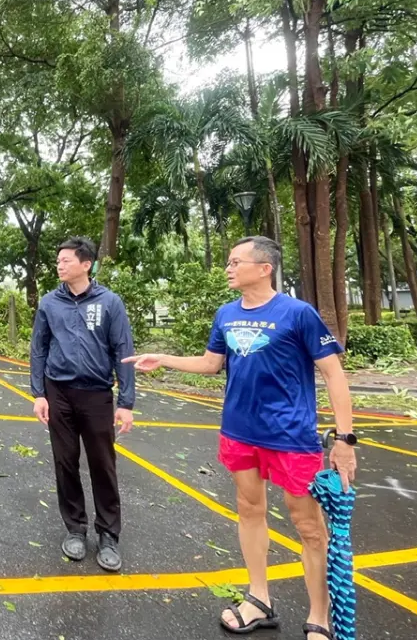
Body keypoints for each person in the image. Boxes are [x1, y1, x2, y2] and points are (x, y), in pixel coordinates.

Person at [123, 236, 357, 640]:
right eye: (229, 262)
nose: (228, 268)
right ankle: (259, 598)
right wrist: (162, 359)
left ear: (264, 268)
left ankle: (320, 616)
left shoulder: (298, 314)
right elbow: (212, 363)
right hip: (239, 431)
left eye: (236, 262)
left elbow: (334, 374)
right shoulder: (226, 314)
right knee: (250, 509)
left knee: (308, 526)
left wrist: (345, 440)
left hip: (290, 436)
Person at [30, 236, 136, 572]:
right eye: (58, 260)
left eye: (65, 260)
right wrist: (38, 394)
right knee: (65, 462)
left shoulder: (109, 303)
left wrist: (126, 401)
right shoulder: (49, 303)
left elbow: (123, 350)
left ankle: (108, 535)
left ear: (86, 264)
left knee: (103, 464)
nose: (59, 265)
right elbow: (39, 349)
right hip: (58, 392)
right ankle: (75, 528)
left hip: (96, 395)